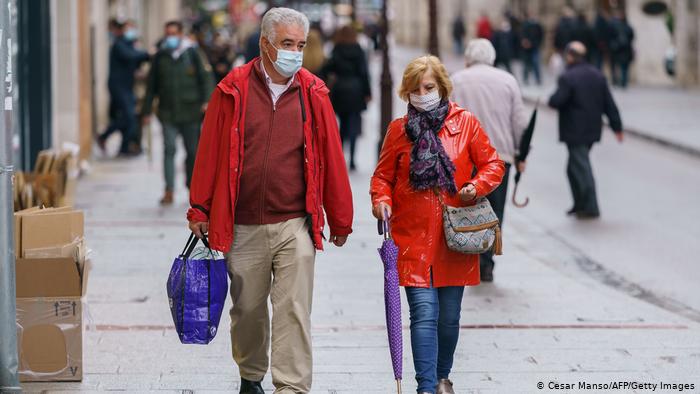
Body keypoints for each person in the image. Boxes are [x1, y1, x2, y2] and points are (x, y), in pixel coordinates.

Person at [187, 8, 353, 394]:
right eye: (286, 44)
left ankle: (291, 386)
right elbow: (209, 152)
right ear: (265, 43)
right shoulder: (232, 88)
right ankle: (250, 374)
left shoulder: (313, 92)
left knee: (293, 309)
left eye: (300, 45)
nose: (294, 52)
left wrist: (340, 218)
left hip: (294, 221)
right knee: (247, 310)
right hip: (242, 222)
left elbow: (331, 157)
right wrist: (200, 207)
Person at [370, 55, 504, 394]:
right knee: (423, 314)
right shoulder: (399, 130)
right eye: (415, 88)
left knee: (449, 319)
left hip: (454, 236)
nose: (422, 93)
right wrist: (380, 201)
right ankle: (426, 387)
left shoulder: (466, 124)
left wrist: (477, 186)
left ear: (442, 87)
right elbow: (383, 177)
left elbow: (492, 164)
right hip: (411, 235)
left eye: (428, 87)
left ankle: (443, 375)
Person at [451, 39, 529, 283]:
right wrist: (520, 154)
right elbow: (519, 122)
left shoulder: (456, 80)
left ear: (468, 57)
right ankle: (486, 261)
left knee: (467, 207)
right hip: (499, 156)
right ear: (492, 57)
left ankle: (470, 259)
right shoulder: (507, 80)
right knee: (495, 211)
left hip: (464, 156)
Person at [142, 20, 214, 206]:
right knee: (169, 149)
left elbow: (206, 79)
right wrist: (146, 110)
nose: (170, 38)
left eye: (174, 33)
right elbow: (151, 86)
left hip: (191, 111)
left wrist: (207, 101)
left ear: (181, 34)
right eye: (168, 34)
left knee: (192, 152)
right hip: (167, 112)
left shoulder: (192, 53)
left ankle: (192, 187)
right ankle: (169, 190)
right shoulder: (160, 56)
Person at [548, 41, 623, 219]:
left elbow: (557, 101)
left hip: (575, 131)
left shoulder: (568, 77)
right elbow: (609, 104)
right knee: (573, 167)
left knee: (581, 167)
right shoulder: (597, 75)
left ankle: (591, 206)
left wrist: (552, 97)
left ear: (570, 56)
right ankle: (579, 203)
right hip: (592, 130)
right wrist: (616, 127)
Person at [320, 25, 371, 171]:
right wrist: (367, 92)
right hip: (356, 89)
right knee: (354, 125)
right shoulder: (358, 49)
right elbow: (364, 72)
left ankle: (340, 157)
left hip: (341, 90)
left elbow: (326, 68)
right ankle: (353, 160)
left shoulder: (337, 48)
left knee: (342, 125)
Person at [97, 20, 150, 157]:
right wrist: (148, 53)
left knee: (129, 117)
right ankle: (106, 137)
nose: (131, 32)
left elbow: (136, 61)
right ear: (121, 31)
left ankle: (124, 146)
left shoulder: (130, 45)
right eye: (128, 29)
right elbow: (131, 56)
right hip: (118, 86)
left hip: (127, 86)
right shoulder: (119, 44)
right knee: (128, 117)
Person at [609, 11, 635, 88]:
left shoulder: (616, 27)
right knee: (625, 68)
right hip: (626, 51)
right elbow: (632, 37)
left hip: (619, 51)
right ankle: (624, 82)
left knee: (620, 67)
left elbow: (612, 37)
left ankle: (621, 81)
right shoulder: (628, 27)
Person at [520, 13, 544, 85]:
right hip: (526, 49)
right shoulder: (525, 25)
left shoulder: (537, 25)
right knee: (526, 65)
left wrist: (537, 44)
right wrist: (525, 42)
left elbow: (541, 36)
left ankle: (538, 79)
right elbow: (522, 35)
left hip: (535, 47)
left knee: (536, 63)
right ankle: (525, 79)